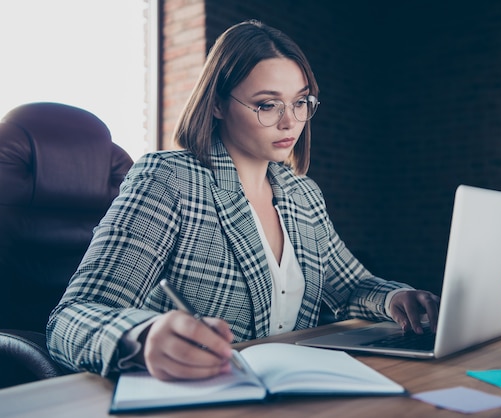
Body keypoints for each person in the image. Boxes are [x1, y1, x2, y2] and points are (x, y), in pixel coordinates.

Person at [47, 20, 440, 382]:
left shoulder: (302, 193)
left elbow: (350, 285)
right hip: (195, 397)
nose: (290, 122)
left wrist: (395, 298)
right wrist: (141, 337)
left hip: (291, 394)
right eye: (268, 104)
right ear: (217, 104)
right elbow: (72, 317)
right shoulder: (169, 179)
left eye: (301, 102)